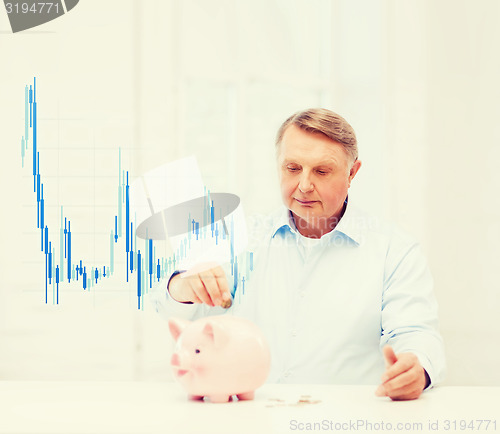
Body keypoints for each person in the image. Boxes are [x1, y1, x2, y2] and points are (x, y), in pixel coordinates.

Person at [154, 108, 446, 401]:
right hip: (250, 419)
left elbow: (416, 332)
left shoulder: (394, 251)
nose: (304, 186)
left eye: (321, 171)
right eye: (292, 168)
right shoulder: (240, 238)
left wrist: (417, 369)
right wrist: (180, 286)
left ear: (352, 173)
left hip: (344, 419)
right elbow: (176, 310)